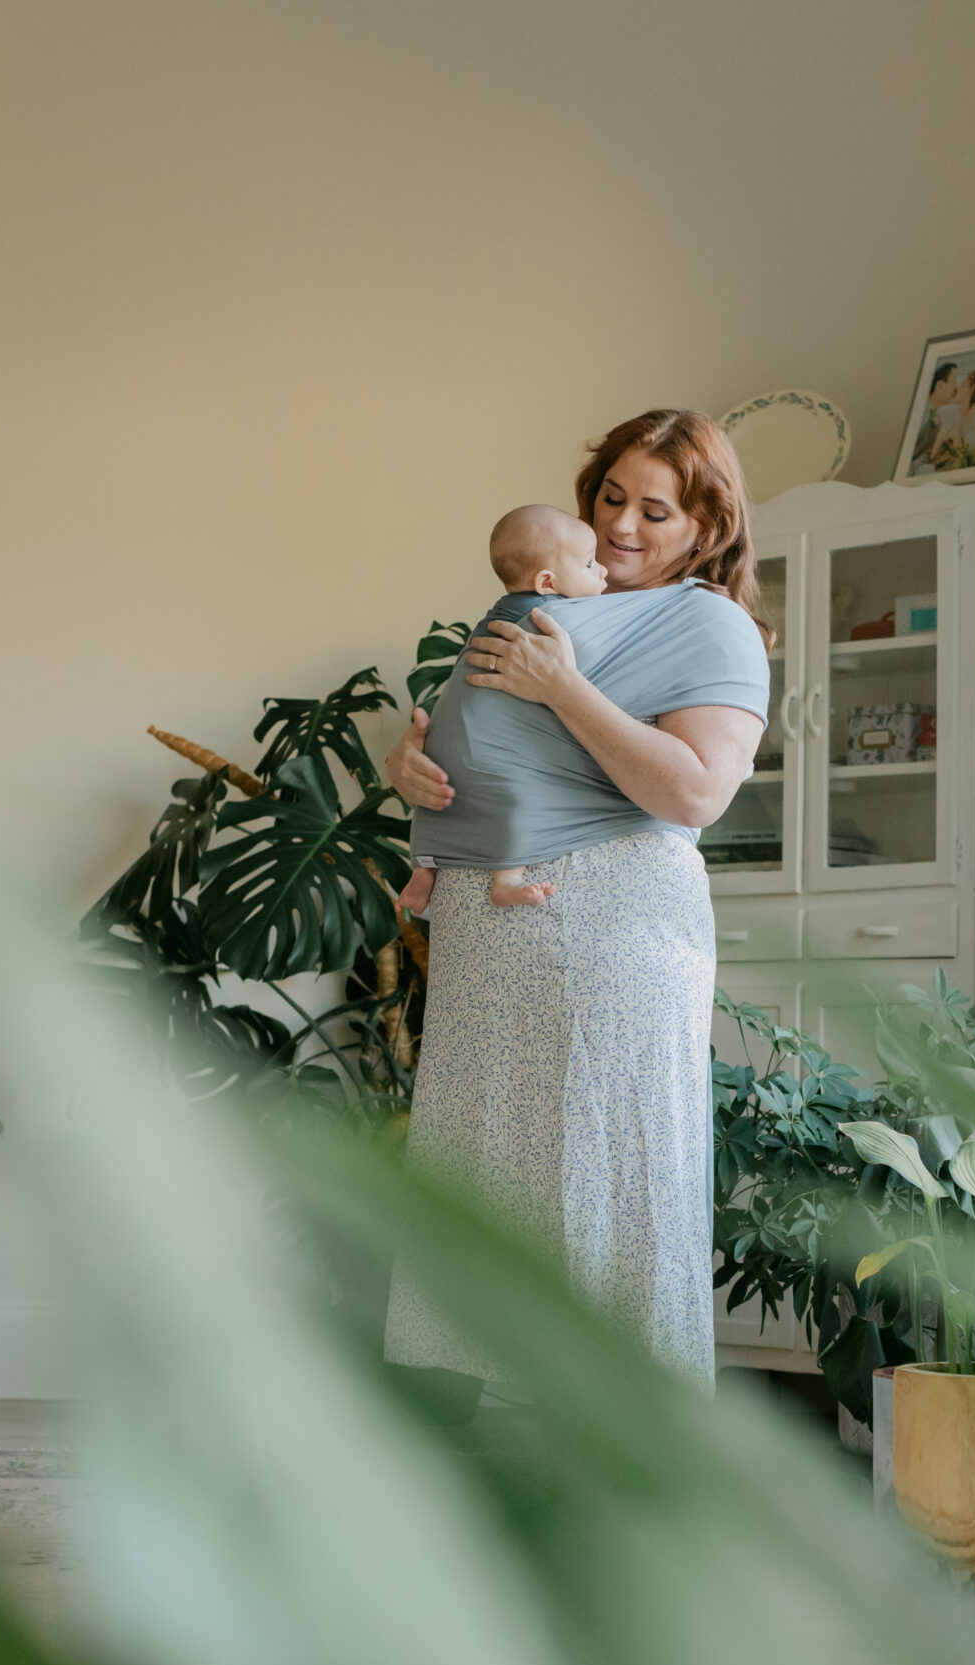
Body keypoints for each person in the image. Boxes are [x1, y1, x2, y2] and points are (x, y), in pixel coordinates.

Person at [381, 408, 771, 1388]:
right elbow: (493, 743)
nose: (623, 528)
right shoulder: (546, 600)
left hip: (613, 927)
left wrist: (565, 688)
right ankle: (490, 1458)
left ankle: (622, 1454)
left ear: (706, 527)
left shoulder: (706, 624)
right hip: (491, 931)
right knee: (486, 1175)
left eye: (656, 510)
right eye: (610, 498)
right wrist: (418, 772)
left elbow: (695, 791)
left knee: (612, 1168)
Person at [393, 503, 611, 914]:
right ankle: (506, 881)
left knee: (437, 804)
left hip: (450, 736)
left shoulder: (497, 613)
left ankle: (422, 873)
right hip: (497, 747)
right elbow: (570, 665)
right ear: (548, 582)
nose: (603, 572)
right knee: (517, 799)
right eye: (589, 564)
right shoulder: (553, 617)